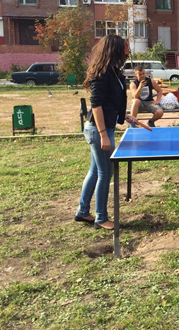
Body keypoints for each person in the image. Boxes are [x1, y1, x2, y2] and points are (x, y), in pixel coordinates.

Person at [75, 34, 128, 230]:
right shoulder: (101, 73)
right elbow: (96, 105)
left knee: (95, 171)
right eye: (124, 47)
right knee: (105, 173)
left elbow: (110, 102)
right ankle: (101, 217)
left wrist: (124, 116)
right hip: (98, 130)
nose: (127, 51)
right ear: (114, 49)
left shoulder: (113, 71)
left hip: (104, 127)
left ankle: (82, 212)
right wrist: (104, 134)